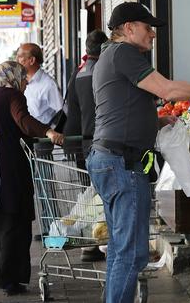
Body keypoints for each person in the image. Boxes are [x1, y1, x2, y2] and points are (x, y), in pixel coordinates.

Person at [87, 2, 190, 302]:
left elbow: (120, 108)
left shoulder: (110, 56)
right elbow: (168, 91)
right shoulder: (124, 53)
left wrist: (156, 121)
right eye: (148, 28)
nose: (153, 35)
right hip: (121, 164)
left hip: (110, 159)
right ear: (129, 28)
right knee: (131, 254)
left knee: (122, 251)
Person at [0, 61, 64, 295]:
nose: (25, 82)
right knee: (12, 221)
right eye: (23, 78)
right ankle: (10, 280)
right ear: (13, 78)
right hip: (8, 168)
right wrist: (48, 131)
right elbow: (23, 120)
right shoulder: (12, 95)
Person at [62, 29, 109, 263]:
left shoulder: (78, 73)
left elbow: (68, 109)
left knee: (88, 195)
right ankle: (97, 244)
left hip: (81, 143)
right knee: (100, 196)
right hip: (100, 141)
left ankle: (91, 245)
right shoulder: (105, 73)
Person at [16, 43, 63, 124]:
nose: (16, 60)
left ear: (32, 60)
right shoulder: (20, 81)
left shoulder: (48, 85)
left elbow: (62, 112)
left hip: (43, 134)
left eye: (20, 57)